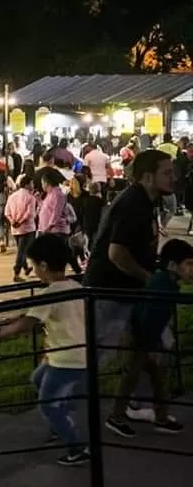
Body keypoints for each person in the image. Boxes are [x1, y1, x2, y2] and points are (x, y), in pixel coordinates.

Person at [0, 234, 88, 467]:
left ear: (43, 265)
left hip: (66, 359)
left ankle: (76, 447)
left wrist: (0, 334)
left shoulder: (50, 294)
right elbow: (31, 314)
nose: (34, 271)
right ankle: (59, 423)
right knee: (38, 378)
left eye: (33, 265)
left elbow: (27, 323)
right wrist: (13, 318)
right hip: (70, 355)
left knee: (48, 404)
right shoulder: (75, 286)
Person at [85, 149, 172, 381]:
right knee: (100, 351)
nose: (173, 177)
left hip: (126, 290)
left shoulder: (145, 201)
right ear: (148, 177)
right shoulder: (133, 204)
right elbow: (117, 252)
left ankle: (135, 403)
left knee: (147, 348)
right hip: (110, 290)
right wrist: (148, 278)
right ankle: (64, 396)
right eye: (167, 173)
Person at [105, 238, 192, 438]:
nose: (192, 269)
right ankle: (116, 417)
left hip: (145, 337)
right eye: (188, 264)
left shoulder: (165, 281)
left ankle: (159, 417)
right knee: (132, 378)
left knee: (156, 377)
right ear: (172, 265)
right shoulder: (162, 285)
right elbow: (148, 319)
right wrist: (152, 348)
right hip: (139, 339)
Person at [4, 175, 38, 282]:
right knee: (22, 251)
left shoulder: (12, 196)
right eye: (32, 183)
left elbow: (7, 212)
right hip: (27, 228)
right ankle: (17, 271)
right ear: (27, 184)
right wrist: (20, 221)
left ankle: (25, 267)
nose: (33, 185)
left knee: (21, 248)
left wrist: (13, 221)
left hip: (15, 229)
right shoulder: (30, 198)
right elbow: (29, 214)